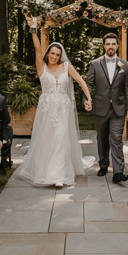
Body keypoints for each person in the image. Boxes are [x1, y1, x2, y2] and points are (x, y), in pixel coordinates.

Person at [18, 17, 95, 187]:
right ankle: (43, 171)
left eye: (57, 54)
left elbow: (82, 82)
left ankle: (59, 176)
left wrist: (89, 99)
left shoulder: (66, 66)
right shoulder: (41, 67)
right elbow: (37, 48)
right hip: (46, 109)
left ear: (61, 56)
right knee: (46, 140)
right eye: (52, 53)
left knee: (61, 138)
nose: (54, 56)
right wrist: (33, 28)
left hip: (62, 108)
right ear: (48, 54)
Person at [84, 32, 128, 184]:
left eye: (113, 44)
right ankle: (103, 164)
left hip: (118, 108)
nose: (111, 46)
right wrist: (87, 100)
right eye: (108, 44)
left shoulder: (125, 65)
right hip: (100, 107)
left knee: (116, 139)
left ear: (117, 46)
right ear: (104, 46)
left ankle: (118, 172)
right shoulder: (95, 64)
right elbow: (88, 84)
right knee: (102, 138)